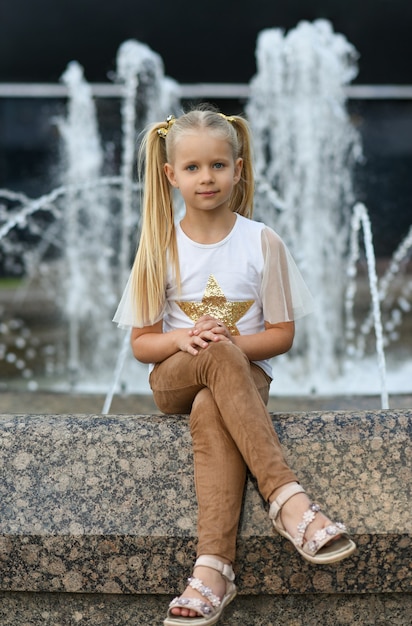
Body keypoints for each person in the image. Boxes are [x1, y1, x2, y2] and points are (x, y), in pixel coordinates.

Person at [113, 106, 356, 626]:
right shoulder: (159, 246)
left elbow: (281, 336)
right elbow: (142, 345)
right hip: (174, 375)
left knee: (211, 405)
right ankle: (289, 502)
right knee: (213, 360)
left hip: (243, 378)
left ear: (238, 169)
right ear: (171, 175)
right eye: (195, 167)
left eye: (219, 165)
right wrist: (189, 336)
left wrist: (227, 346)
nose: (208, 177)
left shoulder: (261, 241)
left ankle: (212, 572)